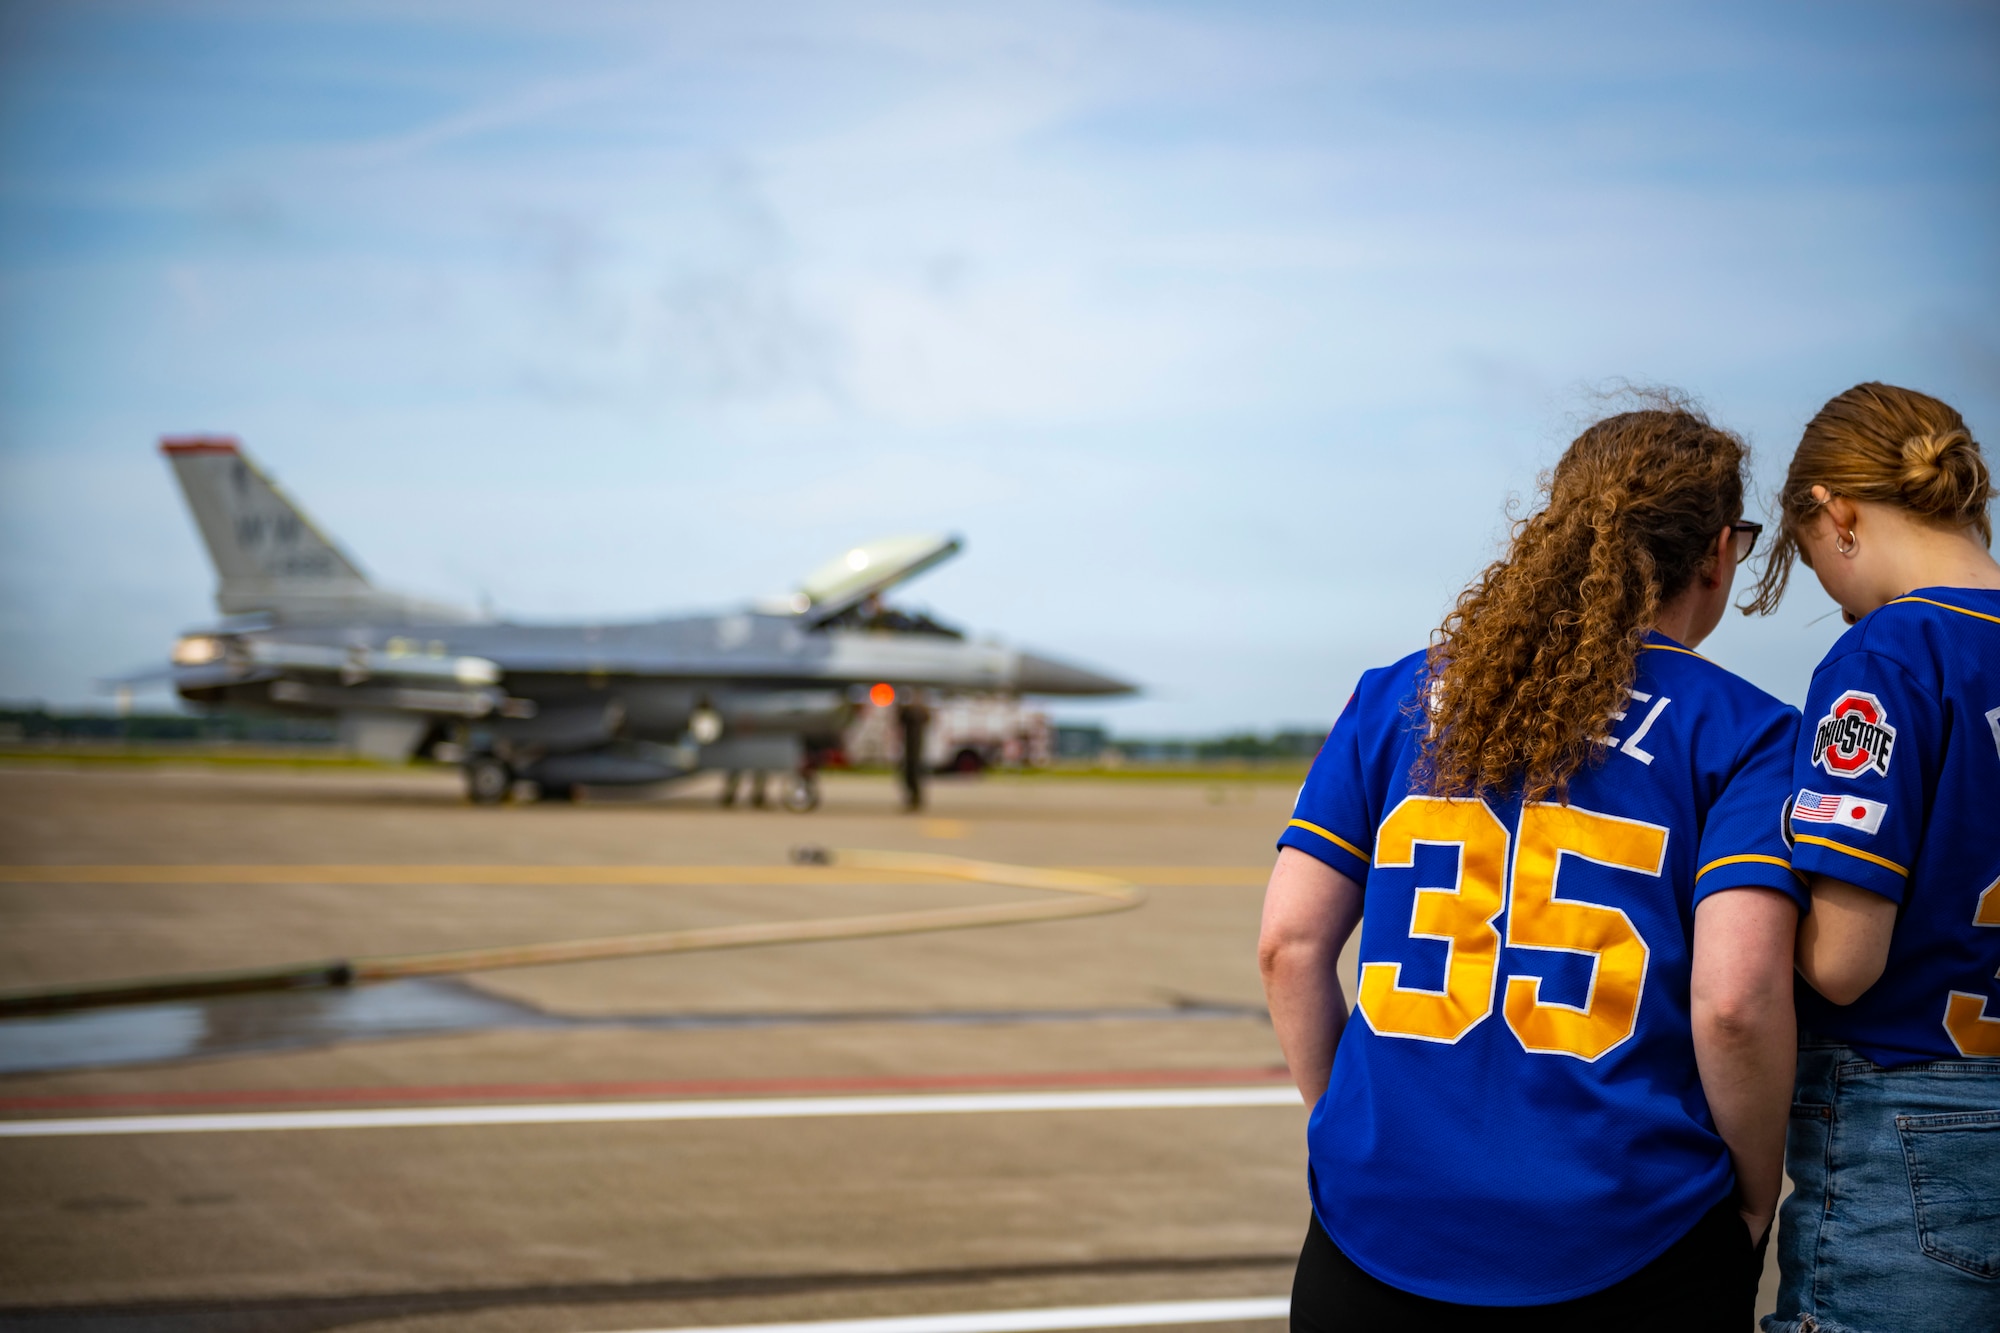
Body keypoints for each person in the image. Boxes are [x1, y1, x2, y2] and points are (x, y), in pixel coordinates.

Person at [1259, 403, 1804, 1330]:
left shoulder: (1394, 695)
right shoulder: (1745, 731)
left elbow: (1289, 944)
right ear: (1718, 551)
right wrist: (1753, 1196)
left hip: (1373, 1231)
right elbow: (1734, 1002)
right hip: (1627, 1237)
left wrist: (1345, 1127)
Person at [1741, 383, 2000, 1333]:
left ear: (1834, 514)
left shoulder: (1889, 654)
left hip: (1913, 1114)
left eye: (1806, 554)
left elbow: (1844, 965)